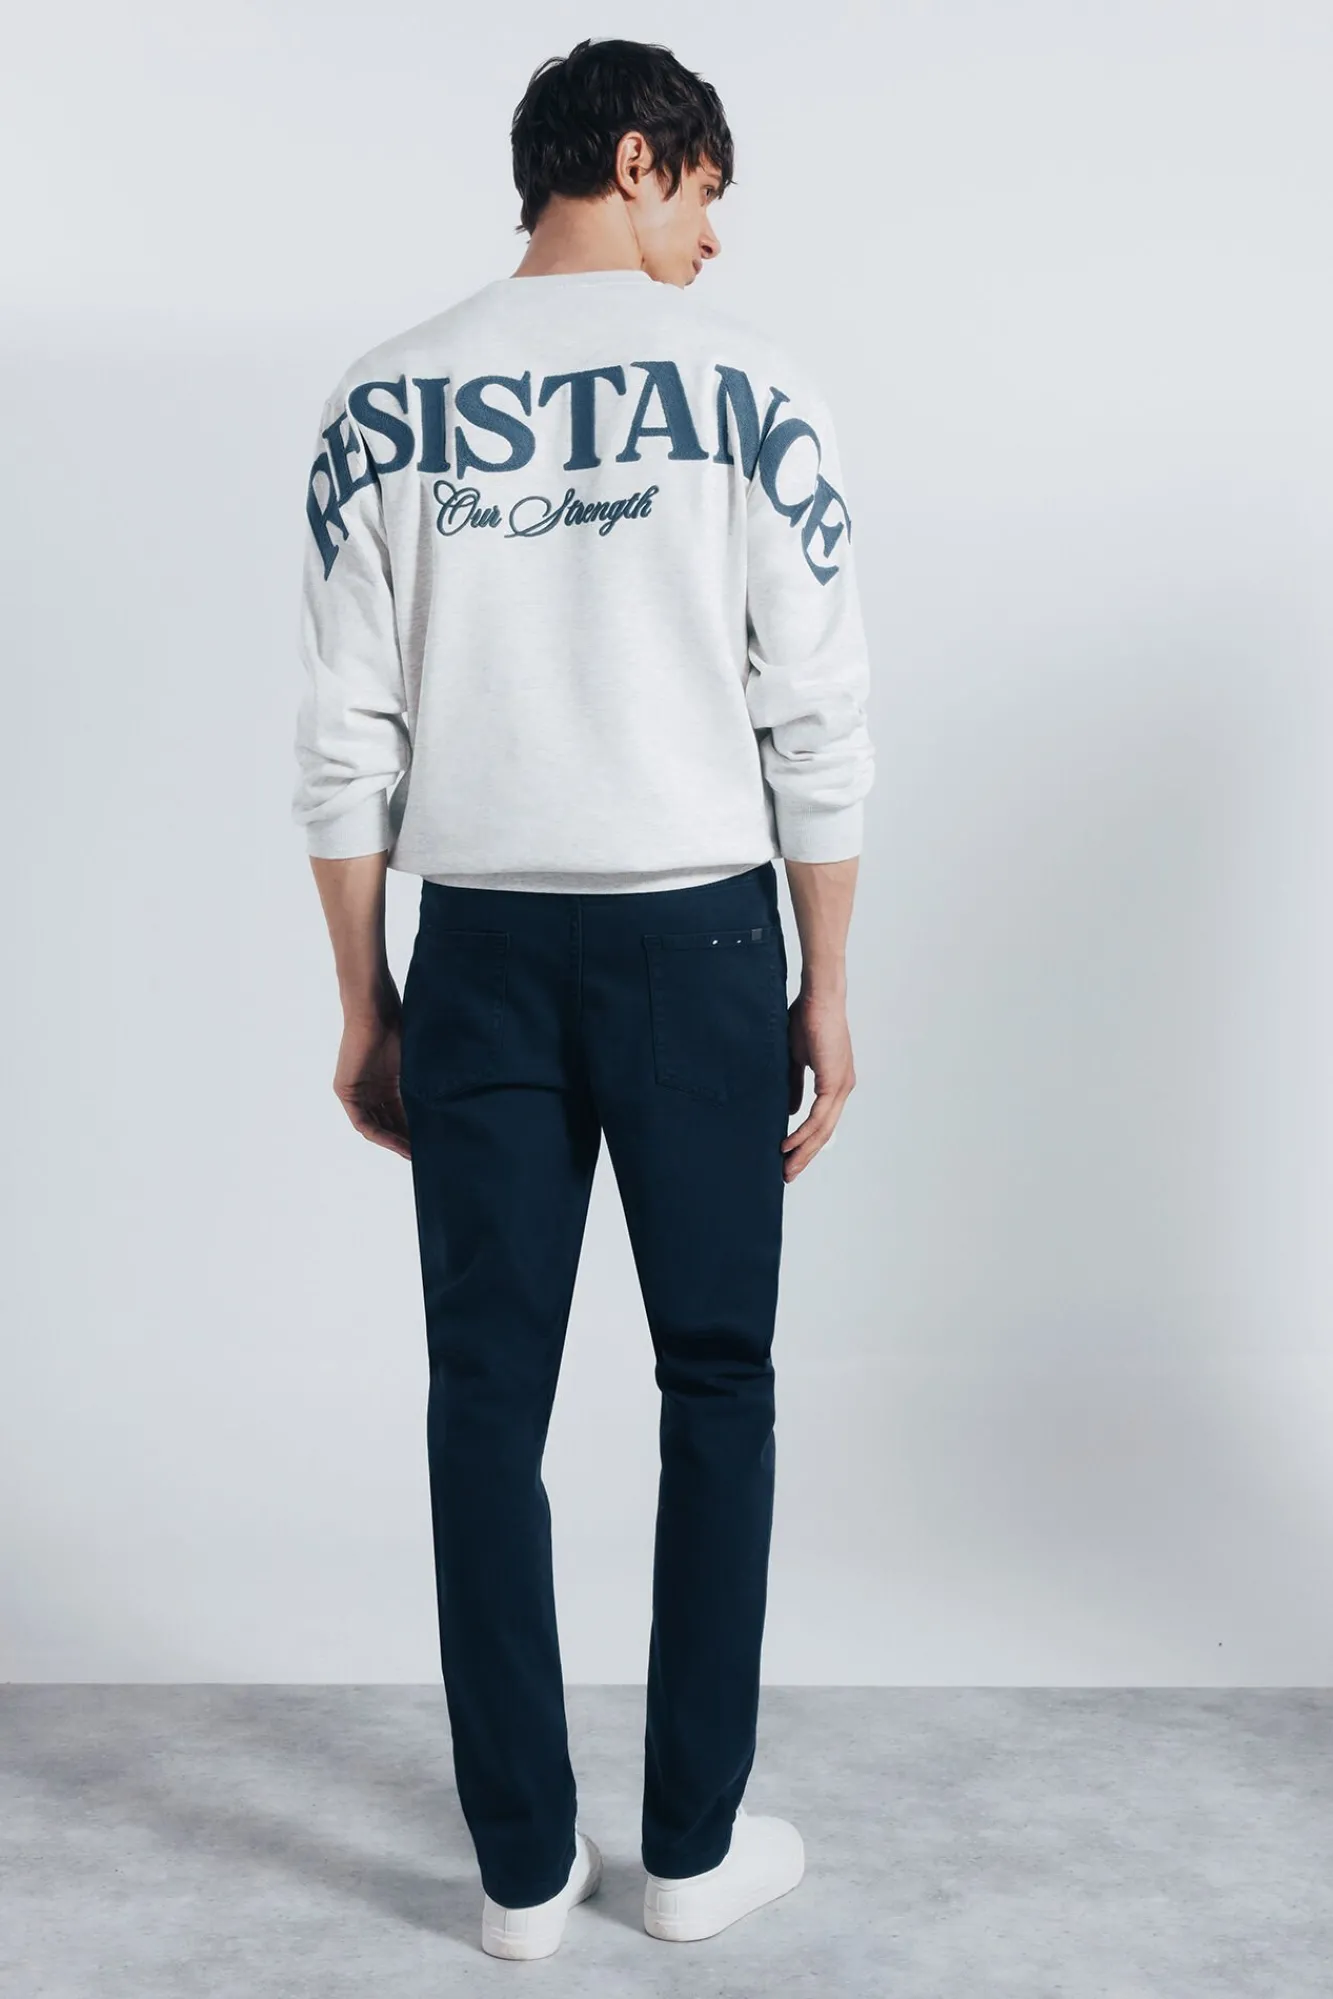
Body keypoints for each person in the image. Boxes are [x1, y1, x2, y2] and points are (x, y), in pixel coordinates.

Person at [290, 35, 874, 1963]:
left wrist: (368, 997)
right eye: (703, 190)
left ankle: (523, 1875)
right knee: (718, 1383)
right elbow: (817, 718)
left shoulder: (382, 399)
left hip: (478, 952)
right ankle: (689, 1849)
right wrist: (828, 984)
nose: (713, 235)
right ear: (637, 160)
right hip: (699, 945)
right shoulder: (757, 392)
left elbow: (344, 740)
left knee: (485, 1401)